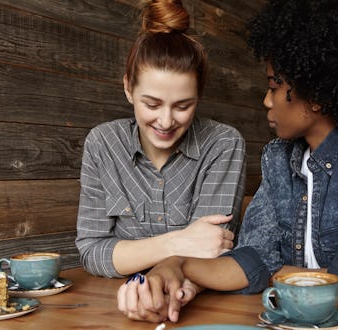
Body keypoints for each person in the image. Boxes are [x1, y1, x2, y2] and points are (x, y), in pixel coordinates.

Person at [117, 0, 338, 323]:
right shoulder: (278, 158)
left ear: (318, 95)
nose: (266, 100)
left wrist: (269, 272)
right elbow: (251, 260)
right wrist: (178, 265)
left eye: (274, 85)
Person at [75, 0, 246, 279]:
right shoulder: (103, 143)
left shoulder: (223, 144)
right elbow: (92, 252)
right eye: (152, 105)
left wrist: (130, 254)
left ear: (199, 96)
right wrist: (176, 242)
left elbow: (210, 249)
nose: (166, 122)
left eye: (182, 106)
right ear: (129, 88)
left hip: (197, 300)